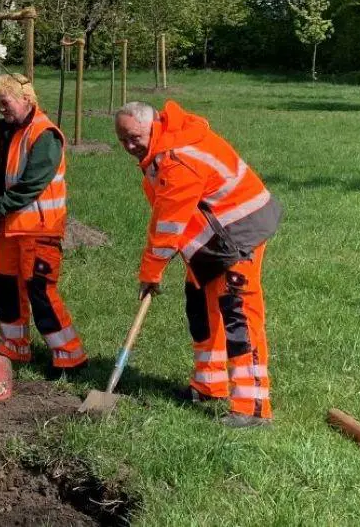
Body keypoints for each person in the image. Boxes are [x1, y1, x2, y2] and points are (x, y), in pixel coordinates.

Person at [115, 100, 281, 428]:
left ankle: (254, 407)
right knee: (201, 306)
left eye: (134, 137)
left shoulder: (178, 158)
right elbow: (170, 214)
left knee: (238, 315)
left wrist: (151, 273)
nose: (130, 146)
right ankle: (209, 385)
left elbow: (168, 224)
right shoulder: (160, 150)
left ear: (154, 126)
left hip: (239, 232)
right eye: (123, 140)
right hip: (212, 237)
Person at [0, 73, 88, 377]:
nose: (2, 109)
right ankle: (14, 346)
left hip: (39, 230)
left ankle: (69, 357)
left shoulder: (44, 135)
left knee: (40, 291)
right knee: (7, 288)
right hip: (12, 228)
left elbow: (33, 183)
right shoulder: (9, 131)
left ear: (26, 99)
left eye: (5, 103)